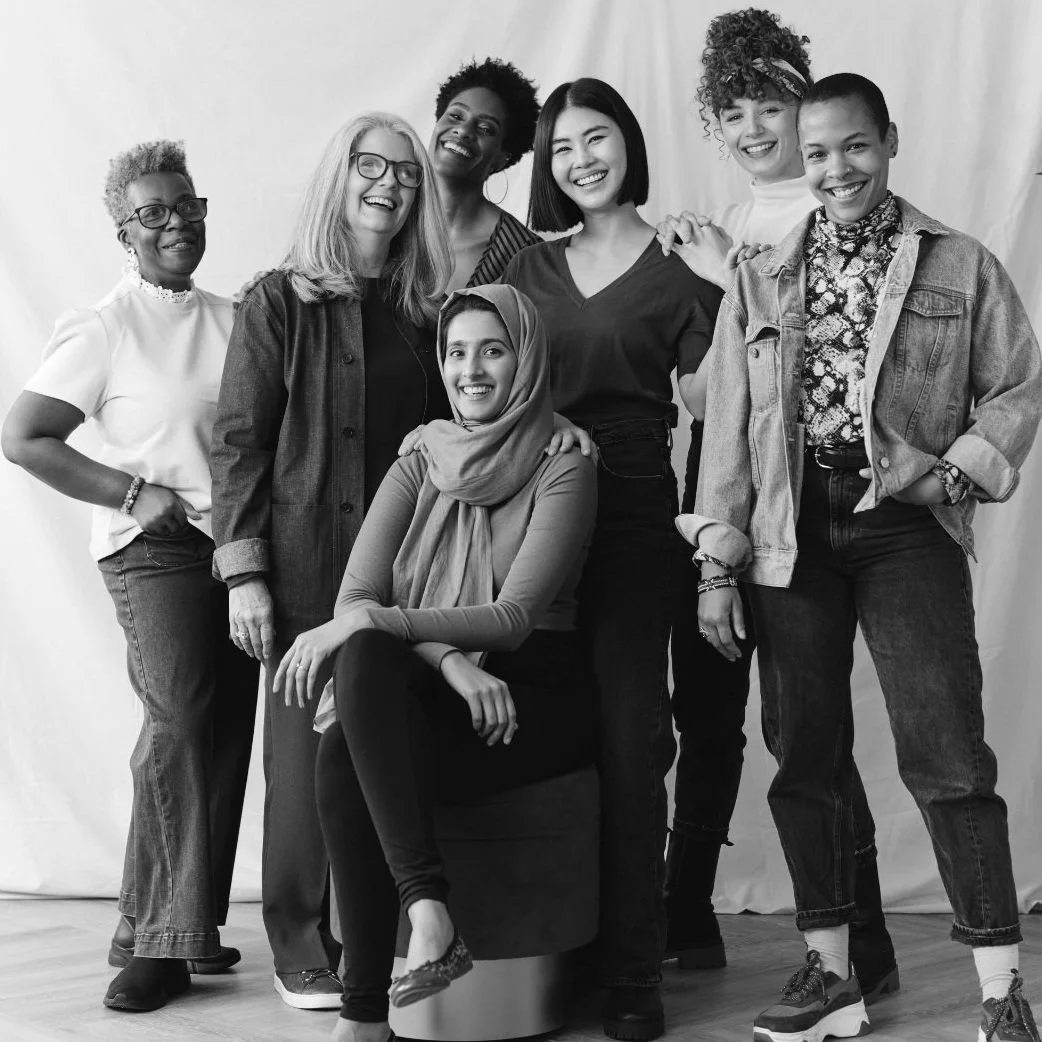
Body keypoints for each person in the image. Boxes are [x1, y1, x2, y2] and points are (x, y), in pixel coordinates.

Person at [680, 73, 1042, 1042]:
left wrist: (952, 474)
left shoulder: (958, 263)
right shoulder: (760, 271)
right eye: (818, 154)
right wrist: (717, 562)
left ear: (889, 139)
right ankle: (831, 972)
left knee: (948, 754)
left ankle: (1002, 990)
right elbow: (727, 432)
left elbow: (1015, 385)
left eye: (853, 146)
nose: (835, 168)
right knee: (804, 752)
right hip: (788, 531)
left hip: (900, 525)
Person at [274, 283, 597, 1042]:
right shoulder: (421, 455)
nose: (472, 370)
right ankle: (427, 917)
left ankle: (363, 1015)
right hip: (449, 689)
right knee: (355, 700)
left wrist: (381, 628)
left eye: (493, 350)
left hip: (532, 698)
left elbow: (513, 617)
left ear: (525, 359)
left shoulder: (564, 461)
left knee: (353, 705)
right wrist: (451, 661)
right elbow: (359, 593)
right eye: (456, 353)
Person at [655, 8, 898, 1002]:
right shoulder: (715, 228)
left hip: (803, 491)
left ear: (806, 104)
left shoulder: (831, 209)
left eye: (772, 104)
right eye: (735, 110)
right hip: (713, 488)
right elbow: (706, 399)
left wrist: (730, 287)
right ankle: (684, 912)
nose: (756, 127)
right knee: (704, 711)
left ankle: (861, 940)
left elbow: (815, 381)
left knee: (807, 730)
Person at [1, 140, 258, 1012]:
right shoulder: (105, 325)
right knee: (179, 719)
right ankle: (156, 941)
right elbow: (24, 435)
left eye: (187, 204)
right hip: (155, 550)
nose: (176, 221)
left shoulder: (237, 318)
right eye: (153, 211)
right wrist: (129, 490)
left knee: (223, 736)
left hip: (235, 550)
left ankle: (187, 928)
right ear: (124, 231)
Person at [208, 112, 452, 1010]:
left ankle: (370, 938)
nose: (388, 184)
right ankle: (297, 943)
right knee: (300, 762)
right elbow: (238, 442)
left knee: (372, 750)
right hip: (305, 562)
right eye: (369, 166)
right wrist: (244, 574)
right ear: (338, 178)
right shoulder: (278, 300)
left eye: (405, 172)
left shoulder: (424, 309)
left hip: (402, 574)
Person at [502, 78, 723, 1041]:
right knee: (550, 732)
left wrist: (724, 278)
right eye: (561, 149)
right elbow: (488, 385)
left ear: (630, 145)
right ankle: (566, 945)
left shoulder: (679, 268)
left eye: (598, 139)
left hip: (637, 513)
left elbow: (721, 404)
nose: (581, 159)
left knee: (636, 739)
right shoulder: (529, 267)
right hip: (535, 512)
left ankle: (636, 970)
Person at [429, 57, 542, 290]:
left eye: (485, 129)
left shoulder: (521, 255)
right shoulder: (390, 219)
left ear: (502, 157)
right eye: (456, 116)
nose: (463, 131)